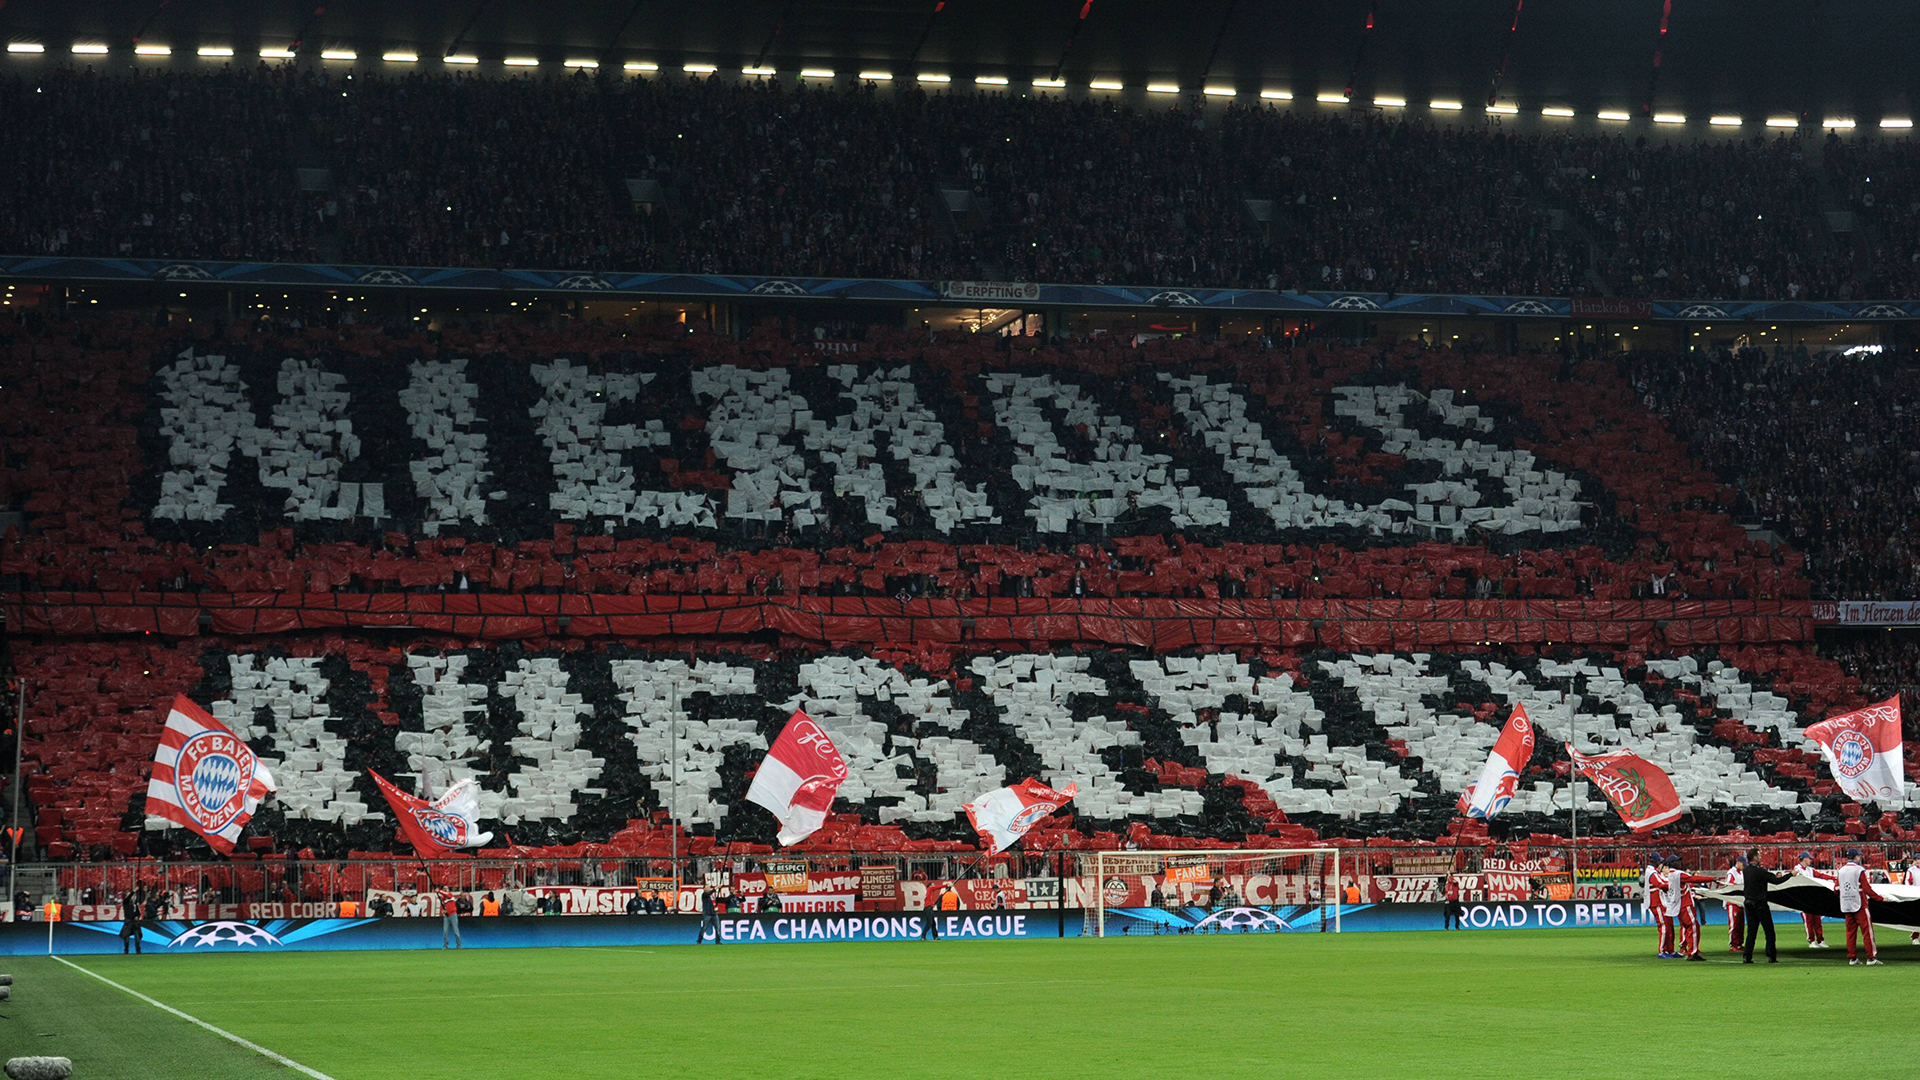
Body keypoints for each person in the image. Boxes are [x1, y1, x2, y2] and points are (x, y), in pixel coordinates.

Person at [1812, 849, 1883, 966]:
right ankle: (1871, 958)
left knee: (1850, 932)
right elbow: (1866, 888)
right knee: (1867, 932)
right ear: (1856, 857)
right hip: (1859, 904)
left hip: (1846, 904)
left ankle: (1852, 958)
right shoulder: (1859, 870)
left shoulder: (1841, 871)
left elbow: (1836, 889)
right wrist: (1879, 898)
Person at [1654, 856, 1715, 961]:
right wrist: (1711, 879)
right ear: (1673, 863)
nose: (1680, 863)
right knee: (1693, 927)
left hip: (1678, 906)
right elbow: (1693, 879)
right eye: (1678, 861)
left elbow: (1686, 882)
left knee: (1688, 928)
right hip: (1685, 904)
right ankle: (1693, 952)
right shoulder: (1678, 874)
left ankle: (1688, 949)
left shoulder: (1670, 875)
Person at [1735, 853, 1785, 964]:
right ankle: (1771, 955)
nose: (1760, 857)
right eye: (1758, 855)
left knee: (1752, 932)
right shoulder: (1760, 871)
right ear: (1755, 858)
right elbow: (1776, 881)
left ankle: (1747, 956)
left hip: (1748, 903)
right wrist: (1790, 875)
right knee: (1769, 931)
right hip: (1760, 904)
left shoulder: (1746, 871)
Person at [1792, 852, 1829, 947]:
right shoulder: (1797, 869)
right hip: (1803, 900)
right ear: (1804, 859)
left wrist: (1833, 878)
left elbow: (1821, 875)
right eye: (1809, 858)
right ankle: (1812, 940)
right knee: (1808, 921)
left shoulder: (1810, 870)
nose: (1810, 860)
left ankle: (1820, 940)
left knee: (1817, 920)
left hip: (1812, 898)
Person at [1644, 854, 1674, 957]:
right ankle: (1662, 951)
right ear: (1655, 861)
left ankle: (1669, 949)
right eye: (1659, 861)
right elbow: (1660, 884)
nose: (1660, 864)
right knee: (1664, 926)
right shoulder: (1652, 873)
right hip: (1656, 902)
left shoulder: (1653, 872)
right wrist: (1674, 885)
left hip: (1660, 901)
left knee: (1668, 925)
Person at [1721, 859, 1745, 952]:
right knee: (1734, 924)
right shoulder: (1731, 872)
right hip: (1732, 901)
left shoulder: (1741, 873)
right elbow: (1730, 884)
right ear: (1738, 862)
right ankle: (1733, 944)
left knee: (1740, 924)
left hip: (1739, 901)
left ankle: (1739, 943)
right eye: (1743, 864)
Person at [120, 889, 142, 955]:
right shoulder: (125, 902)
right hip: (128, 922)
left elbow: (138, 912)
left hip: (134, 922)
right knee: (126, 939)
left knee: (137, 938)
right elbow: (128, 898)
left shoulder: (134, 905)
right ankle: (126, 950)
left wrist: (137, 916)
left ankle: (138, 951)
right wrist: (133, 892)